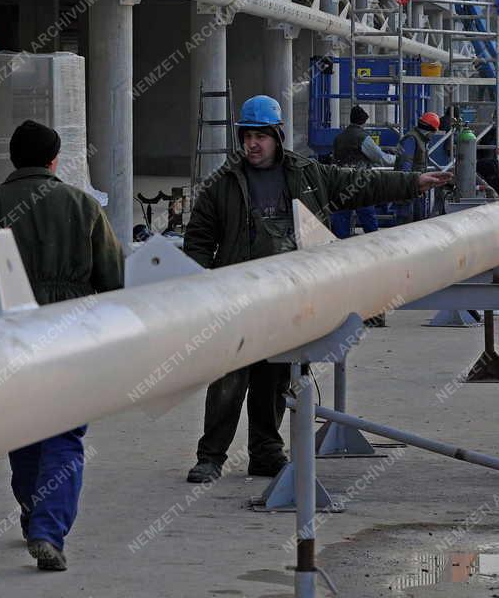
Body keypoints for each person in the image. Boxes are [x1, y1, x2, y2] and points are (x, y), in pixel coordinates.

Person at [182, 95, 450, 484]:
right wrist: (195, 288)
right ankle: (211, 457)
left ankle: (266, 453)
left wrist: (413, 182)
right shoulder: (222, 185)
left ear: (277, 136)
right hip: (237, 297)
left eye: (260, 136)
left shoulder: (307, 175)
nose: (252, 144)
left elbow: (361, 184)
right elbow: (198, 241)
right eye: (247, 137)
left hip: (288, 296)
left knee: (274, 379)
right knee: (229, 378)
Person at [0, 119, 124, 573]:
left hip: (11, 336)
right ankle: (49, 530)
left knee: (24, 432)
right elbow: (113, 279)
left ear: (13, 160)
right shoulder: (84, 206)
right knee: (64, 436)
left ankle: (32, 516)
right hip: (71, 335)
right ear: (54, 160)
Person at [329, 104, 393, 237]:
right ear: (363, 121)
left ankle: (340, 252)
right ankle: (375, 250)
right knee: (369, 223)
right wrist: (397, 158)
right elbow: (380, 158)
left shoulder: (339, 138)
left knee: (340, 224)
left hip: (340, 182)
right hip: (359, 183)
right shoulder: (362, 137)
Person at [394, 110, 442, 222]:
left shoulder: (420, 140)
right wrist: (406, 185)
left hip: (417, 186)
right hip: (408, 187)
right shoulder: (411, 139)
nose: (433, 135)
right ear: (430, 130)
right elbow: (405, 164)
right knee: (405, 222)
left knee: (417, 221)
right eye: (433, 132)